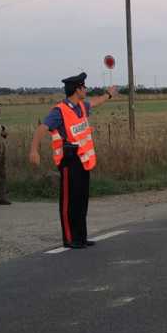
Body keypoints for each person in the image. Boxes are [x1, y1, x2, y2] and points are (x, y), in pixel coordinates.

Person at [29, 72, 118, 249]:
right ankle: (70, 238)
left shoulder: (82, 106)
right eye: (84, 87)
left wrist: (108, 95)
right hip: (69, 161)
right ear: (77, 89)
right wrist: (33, 150)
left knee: (81, 199)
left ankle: (81, 237)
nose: (86, 89)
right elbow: (42, 128)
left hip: (83, 160)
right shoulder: (59, 110)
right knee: (69, 201)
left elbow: (95, 102)